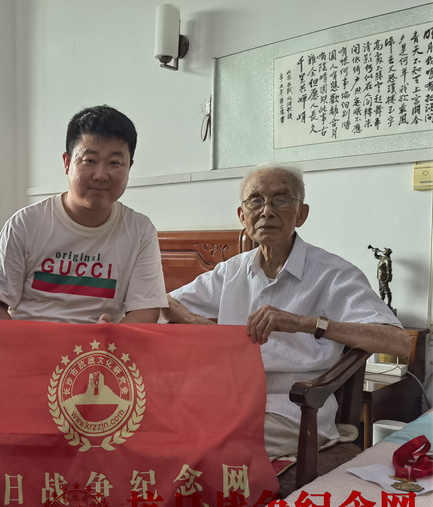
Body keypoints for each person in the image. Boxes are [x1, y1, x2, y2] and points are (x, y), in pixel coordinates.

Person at [163, 165, 410, 459]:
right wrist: (200, 324)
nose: (267, 211)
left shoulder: (333, 273)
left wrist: (305, 323)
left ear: (301, 214)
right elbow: (163, 302)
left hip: (295, 409)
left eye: (281, 200)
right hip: (229, 399)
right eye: (255, 201)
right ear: (242, 216)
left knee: (205, 444)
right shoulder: (231, 271)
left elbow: (398, 342)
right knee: (156, 426)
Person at [0, 105, 168, 324]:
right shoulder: (25, 223)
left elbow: (145, 310)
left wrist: (112, 339)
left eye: (114, 163)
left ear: (129, 167)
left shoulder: (140, 230)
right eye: (89, 160)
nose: (101, 175)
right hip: (30, 341)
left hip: (101, 344)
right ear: (67, 163)